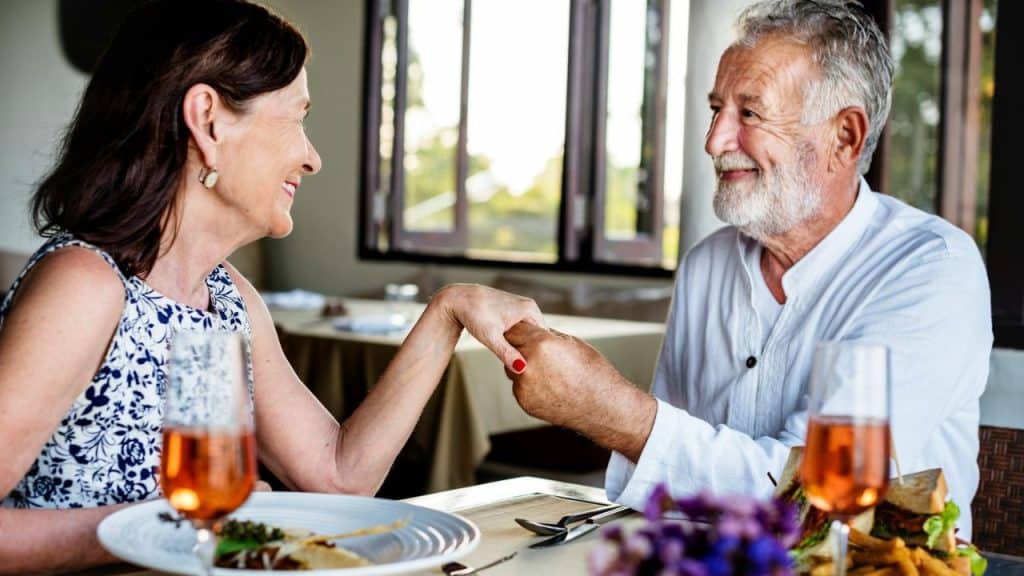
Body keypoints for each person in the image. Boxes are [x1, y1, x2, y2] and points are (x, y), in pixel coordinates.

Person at [0, 1, 540, 572]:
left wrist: (446, 314)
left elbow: (338, 478)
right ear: (208, 120)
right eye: (296, 118)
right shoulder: (85, 284)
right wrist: (171, 524)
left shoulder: (229, 298)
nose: (312, 158)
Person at [506, 0, 991, 539]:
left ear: (845, 137)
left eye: (750, 114)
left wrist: (612, 411)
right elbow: (669, 493)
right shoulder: (706, 265)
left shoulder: (930, 270)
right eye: (717, 110)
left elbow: (818, 501)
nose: (715, 141)